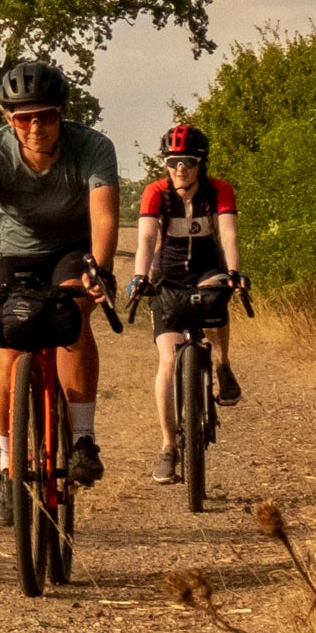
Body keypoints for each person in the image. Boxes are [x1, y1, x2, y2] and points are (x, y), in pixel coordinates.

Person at [0, 59, 120, 523]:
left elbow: (104, 216)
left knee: (71, 316)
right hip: (13, 254)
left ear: (62, 113)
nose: (36, 126)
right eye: (24, 117)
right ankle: (7, 467)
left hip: (72, 249)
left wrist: (100, 269)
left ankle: (81, 438)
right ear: (8, 118)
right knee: (7, 357)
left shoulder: (94, 147)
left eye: (45, 115)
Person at [129, 120, 244, 484]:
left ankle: (223, 364)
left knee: (218, 292)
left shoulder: (219, 190)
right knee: (167, 360)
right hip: (168, 276)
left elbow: (228, 234)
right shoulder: (156, 193)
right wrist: (139, 276)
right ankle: (168, 447)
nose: (180, 169)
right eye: (173, 161)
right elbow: (146, 240)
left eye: (188, 161)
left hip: (207, 268)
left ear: (201, 163)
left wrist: (236, 271)